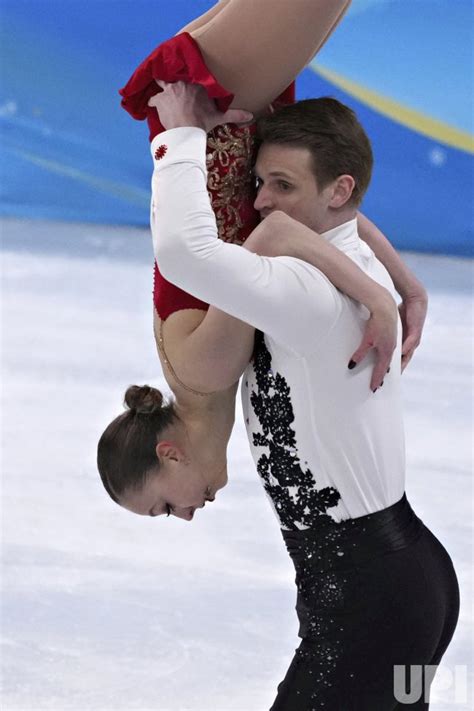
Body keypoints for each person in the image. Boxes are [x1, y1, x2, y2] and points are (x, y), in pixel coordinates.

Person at [100, 82, 459, 710]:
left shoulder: (305, 293)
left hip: (370, 602)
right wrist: (401, 286)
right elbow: (316, 219)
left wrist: (178, 137)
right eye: (260, 183)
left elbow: (186, 253)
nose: (261, 203)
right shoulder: (328, 258)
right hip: (397, 586)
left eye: (282, 187)